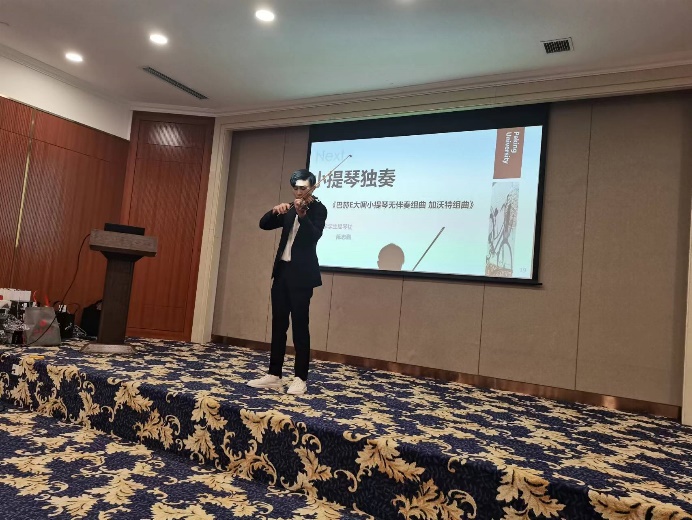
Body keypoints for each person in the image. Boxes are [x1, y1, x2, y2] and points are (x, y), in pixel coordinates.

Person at [247, 169, 327, 395]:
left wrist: (303, 215)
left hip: (302, 277)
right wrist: (274, 211)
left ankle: (300, 378)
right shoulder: (290, 208)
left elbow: (314, 236)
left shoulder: (318, 209)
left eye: (303, 188)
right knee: (278, 325)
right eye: (296, 188)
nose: (299, 192)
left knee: (300, 326)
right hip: (282, 273)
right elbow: (263, 224)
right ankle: (274, 374)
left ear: (312, 187)